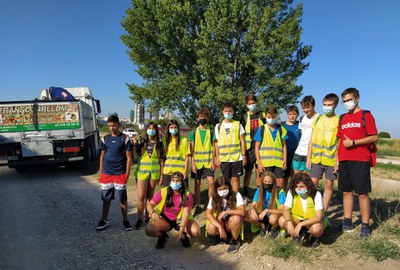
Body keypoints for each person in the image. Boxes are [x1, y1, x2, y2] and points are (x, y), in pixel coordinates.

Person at [336, 87, 378, 239]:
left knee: (362, 193)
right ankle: (347, 221)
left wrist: (354, 142)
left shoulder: (366, 115)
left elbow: (374, 137)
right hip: (344, 160)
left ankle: (365, 225)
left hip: (360, 159)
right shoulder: (342, 118)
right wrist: (337, 161)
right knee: (346, 191)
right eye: (344, 101)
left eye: (349, 99)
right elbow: (340, 140)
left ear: (357, 98)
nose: (347, 103)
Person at [96, 115, 133, 231]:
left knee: (122, 199)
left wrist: (127, 174)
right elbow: (102, 157)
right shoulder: (105, 138)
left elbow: (129, 158)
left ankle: (125, 221)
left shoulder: (125, 138)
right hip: (107, 174)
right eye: (110, 126)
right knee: (106, 198)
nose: (112, 128)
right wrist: (101, 173)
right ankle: (104, 220)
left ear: (119, 125)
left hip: (120, 174)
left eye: (114, 126)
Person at [145, 172, 200, 249]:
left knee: (195, 232)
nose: (175, 182)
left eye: (178, 180)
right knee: (149, 229)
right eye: (173, 180)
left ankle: (183, 235)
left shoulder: (187, 194)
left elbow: (185, 213)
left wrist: (182, 228)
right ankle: (163, 237)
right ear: (170, 181)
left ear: (182, 182)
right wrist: (152, 212)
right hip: (165, 220)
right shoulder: (164, 191)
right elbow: (150, 205)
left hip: (180, 220)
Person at [307, 93, 340, 213]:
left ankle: (324, 213)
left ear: (335, 105)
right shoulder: (318, 119)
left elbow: (340, 143)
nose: (326, 107)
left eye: (329, 105)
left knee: (329, 185)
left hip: (331, 160)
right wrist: (308, 158)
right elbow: (311, 139)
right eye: (325, 104)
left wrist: (337, 161)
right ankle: (310, 209)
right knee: (312, 185)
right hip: (316, 159)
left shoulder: (338, 121)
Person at [279, 173, 326, 249]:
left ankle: (315, 237)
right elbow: (286, 209)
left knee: (316, 229)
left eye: (301, 186)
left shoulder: (316, 194)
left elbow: (318, 217)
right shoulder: (292, 192)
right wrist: (289, 222)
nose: (298, 189)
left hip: (312, 221)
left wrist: (301, 224)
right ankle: (298, 235)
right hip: (297, 219)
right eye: (296, 186)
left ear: (308, 185)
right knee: (282, 220)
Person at [133, 122, 165, 229]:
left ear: (156, 130)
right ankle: (139, 219)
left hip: (154, 173)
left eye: (153, 128)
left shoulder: (159, 144)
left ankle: (147, 217)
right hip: (142, 172)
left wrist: (161, 176)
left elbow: (161, 161)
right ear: (146, 130)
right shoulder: (142, 141)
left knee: (150, 197)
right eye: (149, 128)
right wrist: (135, 144)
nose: (151, 130)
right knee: (141, 196)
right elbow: (135, 155)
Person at [206, 176, 245, 254]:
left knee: (236, 218)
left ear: (229, 187)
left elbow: (242, 212)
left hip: (231, 222)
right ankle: (220, 235)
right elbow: (208, 213)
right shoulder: (214, 197)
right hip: (221, 222)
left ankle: (234, 241)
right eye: (220, 189)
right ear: (216, 190)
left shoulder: (236, 195)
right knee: (211, 228)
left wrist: (227, 212)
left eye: (225, 188)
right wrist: (220, 227)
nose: (222, 191)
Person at [214, 102, 247, 192]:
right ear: (222, 112)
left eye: (230, 111)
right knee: (226, 180)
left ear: (233, 112)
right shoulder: (218, 126)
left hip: (236, 157)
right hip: (224, 158)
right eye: (226, 111)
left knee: (236, 179)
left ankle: (236, 197)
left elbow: (242, 141)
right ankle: (228, 198)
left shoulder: (238, 124)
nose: (228, 113)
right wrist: (217, 157)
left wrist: (244, 156)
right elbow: (216, 143)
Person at [189, 108, 216, 216]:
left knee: (211, 183)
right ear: (197, 118)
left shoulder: (211, 131)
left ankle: (210, 204)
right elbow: (191, 150)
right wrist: (193, 164)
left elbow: (214, 147)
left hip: (208, 162)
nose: (202, 119)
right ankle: (198, 205)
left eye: (204, 117)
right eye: (200, 117)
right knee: (197, 184)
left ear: (207, 119)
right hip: (197, 163)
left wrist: (213, 161)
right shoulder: (193, 132)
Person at [254, 104, 288, 189]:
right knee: (266, 183)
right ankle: (264, 200)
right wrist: (259, 163)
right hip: (265, 163)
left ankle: (278, 201)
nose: (271, 119)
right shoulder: (261, 129)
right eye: (269, 117)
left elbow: (284, 146)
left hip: (278, 162)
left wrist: (285, 160)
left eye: (273, 117)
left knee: (280, 182)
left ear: (276, 116)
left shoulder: (281, 129)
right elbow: (256, 147)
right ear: (265, 116)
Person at [246, 171, 286, 239]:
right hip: (262, 214)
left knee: (273, 219)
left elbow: (282, 211)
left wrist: (267, 210)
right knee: (247, 214)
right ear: (262, 181)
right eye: (265, 181)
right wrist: (252, 209)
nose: (267, 183)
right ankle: (262, 226)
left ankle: (274, 228)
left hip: (274, 214)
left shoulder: (279, 191)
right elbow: (253, 204)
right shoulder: (259, 189)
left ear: (273, 182)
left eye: (269, 182)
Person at [241, 93, 265, 200]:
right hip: (249, 148)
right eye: (249, 103)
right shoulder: (245, 117)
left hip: (261, 147)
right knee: (248, 172)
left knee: (259, 172)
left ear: (256, 103)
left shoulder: (262, 115)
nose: (252, 105)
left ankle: (259, 193)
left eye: (253, 103)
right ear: (246, 105)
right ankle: (245, 193)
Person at [293, 96, 319, 175]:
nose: (305, 110)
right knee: (296, 176)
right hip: (299, 151)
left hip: (312, 153)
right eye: (303, 108)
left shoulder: (319, 118)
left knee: (307, 178)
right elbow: (302, 134)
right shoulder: (301, 118)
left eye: (308, 107)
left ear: (313, 106)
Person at [162, 120, 191, 187]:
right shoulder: (164, 140)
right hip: (167, 172)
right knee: (167, 193)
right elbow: (162, 158)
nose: (173, 129)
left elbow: (186, 157)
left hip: (180, 172)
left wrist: (185, 171)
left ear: (178, 128)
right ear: (168, 129)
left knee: (183, 193)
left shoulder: (184, 140)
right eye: (171, 127)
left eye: (175, 127)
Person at [282, 105, 301, 185]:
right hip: (285, 156)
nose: (292, 116)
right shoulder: (282, 125)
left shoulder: (300, 125)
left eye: (294, 114)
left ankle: (292, 193)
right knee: (284, 178)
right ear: (287, 114)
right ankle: (283, 195)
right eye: (290, 114)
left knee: (294, 177)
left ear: (297, 114)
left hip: (296, 156)